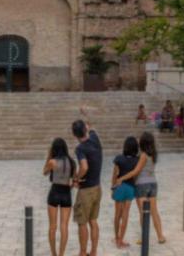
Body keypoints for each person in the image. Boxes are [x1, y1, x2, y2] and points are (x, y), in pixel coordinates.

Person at [116, 132, 166, 245]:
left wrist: (121, 178)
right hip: (153, 184)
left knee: (143, 213)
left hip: (142, 185)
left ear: (143, 142)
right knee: (154, 212)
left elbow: (136, 171)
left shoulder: (143, 155)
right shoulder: (154, 154)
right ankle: (160, 236)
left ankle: (144, 238)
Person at [72, 108, 102, 256]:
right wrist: (85, 114)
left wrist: (76, 178)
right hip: (97, 187)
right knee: (93, 221)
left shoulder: (80, 148)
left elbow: (84, 166)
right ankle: (94, 251)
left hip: (85, 190)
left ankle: (83, 253)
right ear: (85, 129)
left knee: (82, 222)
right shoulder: (95, 138)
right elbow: (91, 125)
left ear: (74, 135)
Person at [43, 138, 76, 256]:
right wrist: (69, 188)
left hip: (54, 192)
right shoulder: (72, 162)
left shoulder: (52, 161)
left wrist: (49, 156)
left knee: (52, 226)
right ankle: (61, 254)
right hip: (66, 193)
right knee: (64, 226)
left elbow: (44, 172)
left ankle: (54, 253)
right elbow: (74, 181)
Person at [111, 136, 139, 249]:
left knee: (117, 214)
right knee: (125, 214)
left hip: (119, 187)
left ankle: (116, 237)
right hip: (130, 188)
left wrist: (112, 188)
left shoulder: (118, 158)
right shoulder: (137, 160)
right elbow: (136, 176)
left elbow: (114, 174)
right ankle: (120, 241)